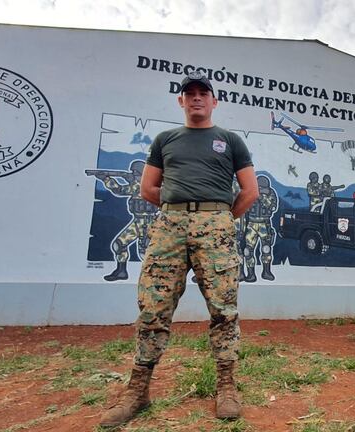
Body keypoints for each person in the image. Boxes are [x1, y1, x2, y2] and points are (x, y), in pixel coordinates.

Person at [99, 71, 258, 428]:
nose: (197, 98)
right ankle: (137, 391)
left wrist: (219, 218)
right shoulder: (165, 139)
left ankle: (227, 387)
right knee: (153, 307)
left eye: (204, 93)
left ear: (214, 101)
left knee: (223, 307)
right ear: (181, 101)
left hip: (215, 226)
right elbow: (148, 189)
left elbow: (249, 192)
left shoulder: (230, 141)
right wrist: (178, 208)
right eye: (190, 93)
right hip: (168, 228)